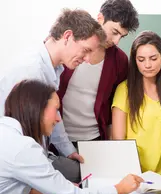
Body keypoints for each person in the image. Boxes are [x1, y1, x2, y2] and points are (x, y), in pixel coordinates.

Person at [0, 8, 105, 183]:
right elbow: (26, 142)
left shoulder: (54, 68)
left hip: (37, 153)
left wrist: (68, 151)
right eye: (85, 50)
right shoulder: (31, 72)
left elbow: (52, 117)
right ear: (68, 36)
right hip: (18, 162)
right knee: (83, 179)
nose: (87, 59)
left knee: (84, 172)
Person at [0, 79, 143, 194]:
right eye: (55, 109)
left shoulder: (6, 133)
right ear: (37, 108)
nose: (58, 119)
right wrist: (119, 189)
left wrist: (31, 191)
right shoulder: (23, 148)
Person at [57, 0, 139, 146]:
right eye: (114, 32)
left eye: (122, 36)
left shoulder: (119, 60)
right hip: (58, 135)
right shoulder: (71, 45)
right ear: (100, 18)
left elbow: (114, 107)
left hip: (95, 139)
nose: (116, 41)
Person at [112, 31, 161, 174]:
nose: (147, 65)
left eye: (153, 58)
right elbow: (118, 142)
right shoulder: (124, 90)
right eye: (141, 59)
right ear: (134, 60)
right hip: (134, 174)